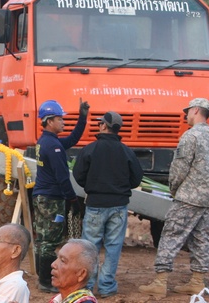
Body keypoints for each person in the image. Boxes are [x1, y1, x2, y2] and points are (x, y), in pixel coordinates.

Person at [139, 98, 209, 297]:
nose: (186, 115)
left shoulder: (190, 136)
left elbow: (179, 169)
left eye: (188, 111)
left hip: (188, 197)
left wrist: (173, 189)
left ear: (197, 110)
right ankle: (197, 281)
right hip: (208, 198)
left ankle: (160, 282)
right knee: (201, 239)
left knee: (170, 236)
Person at [72, 111, 143, 298]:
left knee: (89, 247)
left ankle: (87, 286)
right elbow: (136, 179)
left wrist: (92, 187)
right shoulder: (126, 151)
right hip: (119, 206)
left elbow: (78, 175)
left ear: (104, 126)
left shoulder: (90, 149)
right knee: (113, 246)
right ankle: (106, 286)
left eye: (99, 123)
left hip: (95, 204)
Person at [33, 99, 89, 292]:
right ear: (49, 121)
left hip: (42, 196)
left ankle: (42, 278)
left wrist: (82, 118)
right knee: (51, 240)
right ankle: (47, 282)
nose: (63, 122)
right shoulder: (53, 146)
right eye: (59, 119)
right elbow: (62, 177)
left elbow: (72, 140)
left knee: (42, 239)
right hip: (51, 200)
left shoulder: (47, 141)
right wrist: (72, 199)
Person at [49, 239, 99, 303]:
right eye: (57, 258)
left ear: (81, 274)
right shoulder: (60, 299)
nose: (53, 264)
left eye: (63, 261)